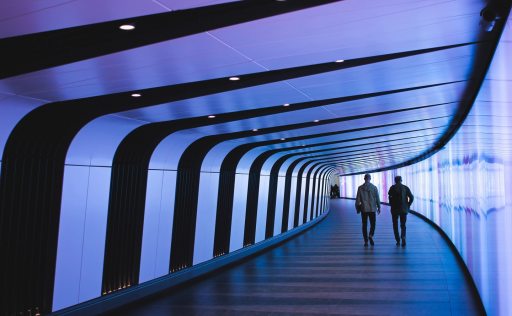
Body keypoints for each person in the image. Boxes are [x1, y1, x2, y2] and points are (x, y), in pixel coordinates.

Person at [388, 176, 414, 247]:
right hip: (403, 209)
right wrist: (408, 204)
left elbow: (389, 196)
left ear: (395, 180)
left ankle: (397, 240)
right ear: (401, 180)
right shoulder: (405, 188)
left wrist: (391, 204)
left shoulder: (392, 188)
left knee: (395, 225)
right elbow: (411, 197)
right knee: (403, 225)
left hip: (394, 209)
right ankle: (403, 238)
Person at [355, 174, 381, 247]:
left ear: (364, 179)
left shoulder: (360, 188)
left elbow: (358, 199)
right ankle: (371, 235)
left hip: (364, 209)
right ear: (370, 179)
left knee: (364, 225)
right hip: (372, 209)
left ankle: (366, 241)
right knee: (373, 224)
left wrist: (357, 208)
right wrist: (379, 207)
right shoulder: (374, 188)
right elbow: (377, 198)